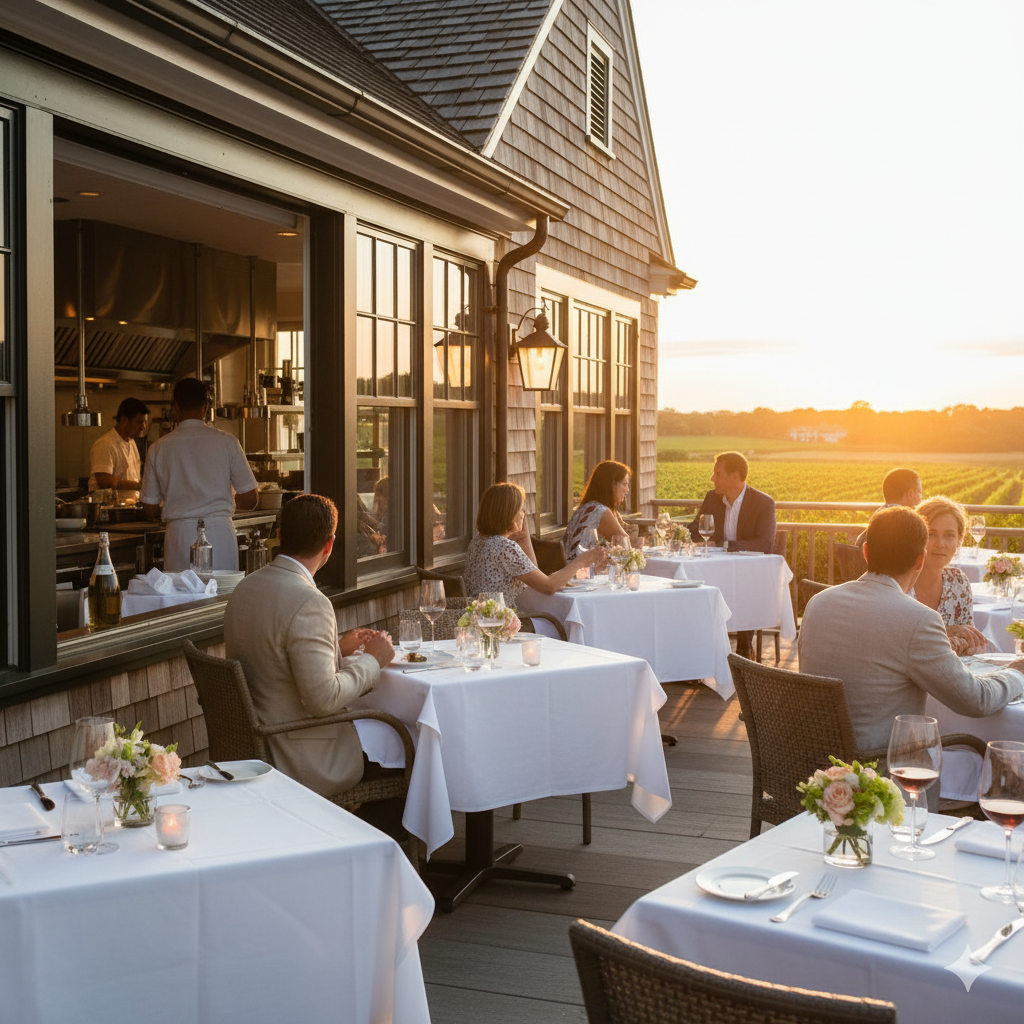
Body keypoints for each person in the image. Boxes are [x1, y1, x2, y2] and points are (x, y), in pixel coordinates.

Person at [798, 506, 1024, 754]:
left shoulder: (818, 602)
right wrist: (1016, 674)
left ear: (865, 552)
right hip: (883, 774)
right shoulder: (918, 619)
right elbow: (977, 701)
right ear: (920, 559)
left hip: (814, 769)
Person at [224, 493, 396, 799]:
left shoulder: (245, 588)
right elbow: (323, 700)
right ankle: (381, 840)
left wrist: (338, 649)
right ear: (329, 546)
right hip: (299, 758)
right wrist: (372, 661)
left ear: (279, 536)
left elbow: (272, 658)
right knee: (401, 737)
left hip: (252, 744)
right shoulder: (309, 602)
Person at [140, 377, 258, 571]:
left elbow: (149, 508)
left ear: (175, 407)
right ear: (207, 406)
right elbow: (251, 498)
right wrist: (220, 508)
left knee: (183, 600)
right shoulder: (227, 442)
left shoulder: (158, 448)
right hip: (220, 534)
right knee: (221, 599)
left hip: (179, 536)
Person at [687, 450, 776, 658]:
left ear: (734, 476)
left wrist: (723, 545)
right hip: (714, 570)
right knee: (696, 589)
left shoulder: (763, 503)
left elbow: (764, 543)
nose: (712, 479)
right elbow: (695, 529)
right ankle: (704, 654)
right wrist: (677, 532)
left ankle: (744, 648)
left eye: (717, 474)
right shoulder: (712, 498)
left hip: (748, 571)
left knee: (748, 586)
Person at [465, 482, 603, 602]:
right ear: (509, 514)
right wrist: (580, 562)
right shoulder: (505, 547)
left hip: (482, 618)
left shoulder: (478, 541)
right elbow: (548, 587)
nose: (523, 515)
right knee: (562, 625)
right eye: (520, 510)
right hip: (505, 623)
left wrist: (525, 539)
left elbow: (535, 575)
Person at [912, 496, 986, 655]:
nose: (940, 543)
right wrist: (947, 633)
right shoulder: (899, 581)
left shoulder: (958, 581)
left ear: (959, 540)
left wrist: (964, 643)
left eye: (949, 535)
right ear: (916, 536)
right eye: (931, 534)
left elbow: (971, 638)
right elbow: (896, 640)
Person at [562, 460, 633, 561]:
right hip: (582, 572)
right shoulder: (600, 511)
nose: (627, 490)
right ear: (612, 485)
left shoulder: (586, 508)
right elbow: (625, 546)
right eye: (624, 484)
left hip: (571, 569)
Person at [88, 397, 150, 494]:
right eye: (139, 422)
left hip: (128, 505)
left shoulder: (131, 442)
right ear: (124, 420)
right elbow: (104, 481)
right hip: (107, 507)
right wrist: (139, 485)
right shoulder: (105, 444)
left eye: (145, 422)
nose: (143, 427)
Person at [854, 467, 922, 545]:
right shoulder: (909, 524)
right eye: (920, 492)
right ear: (911, 494)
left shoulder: (875, 519)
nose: (921, 498)